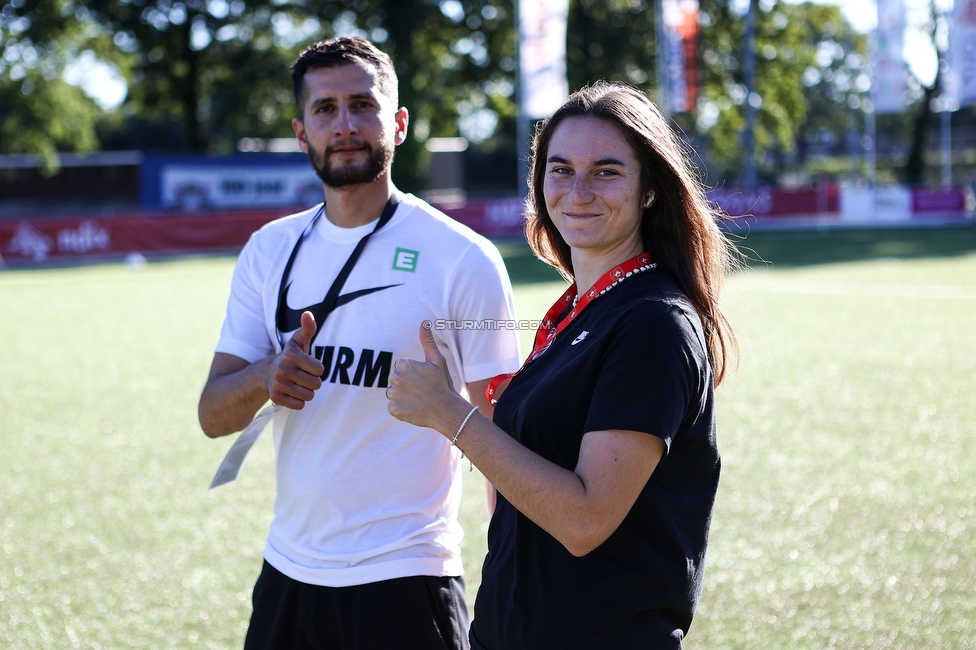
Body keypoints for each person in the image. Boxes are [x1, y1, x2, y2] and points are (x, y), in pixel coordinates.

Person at [386, 81, 738, 649]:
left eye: (606, 171)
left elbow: (585, 520)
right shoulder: (581, 312)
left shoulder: (653, 323)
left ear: (650, 189)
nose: (578, 190)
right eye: (560, 169)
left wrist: (451, 415)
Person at [198, 37, 520, 650]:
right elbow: (212, 415)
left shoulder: (464, 259)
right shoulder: (269, 250)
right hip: (288, 576)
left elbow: (505, 438)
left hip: (409, 581)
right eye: (325, 110)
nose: (344, 125)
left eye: (362, 106)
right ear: (301, 132)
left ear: (397, 124)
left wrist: (511, 586)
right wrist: (266, 375)